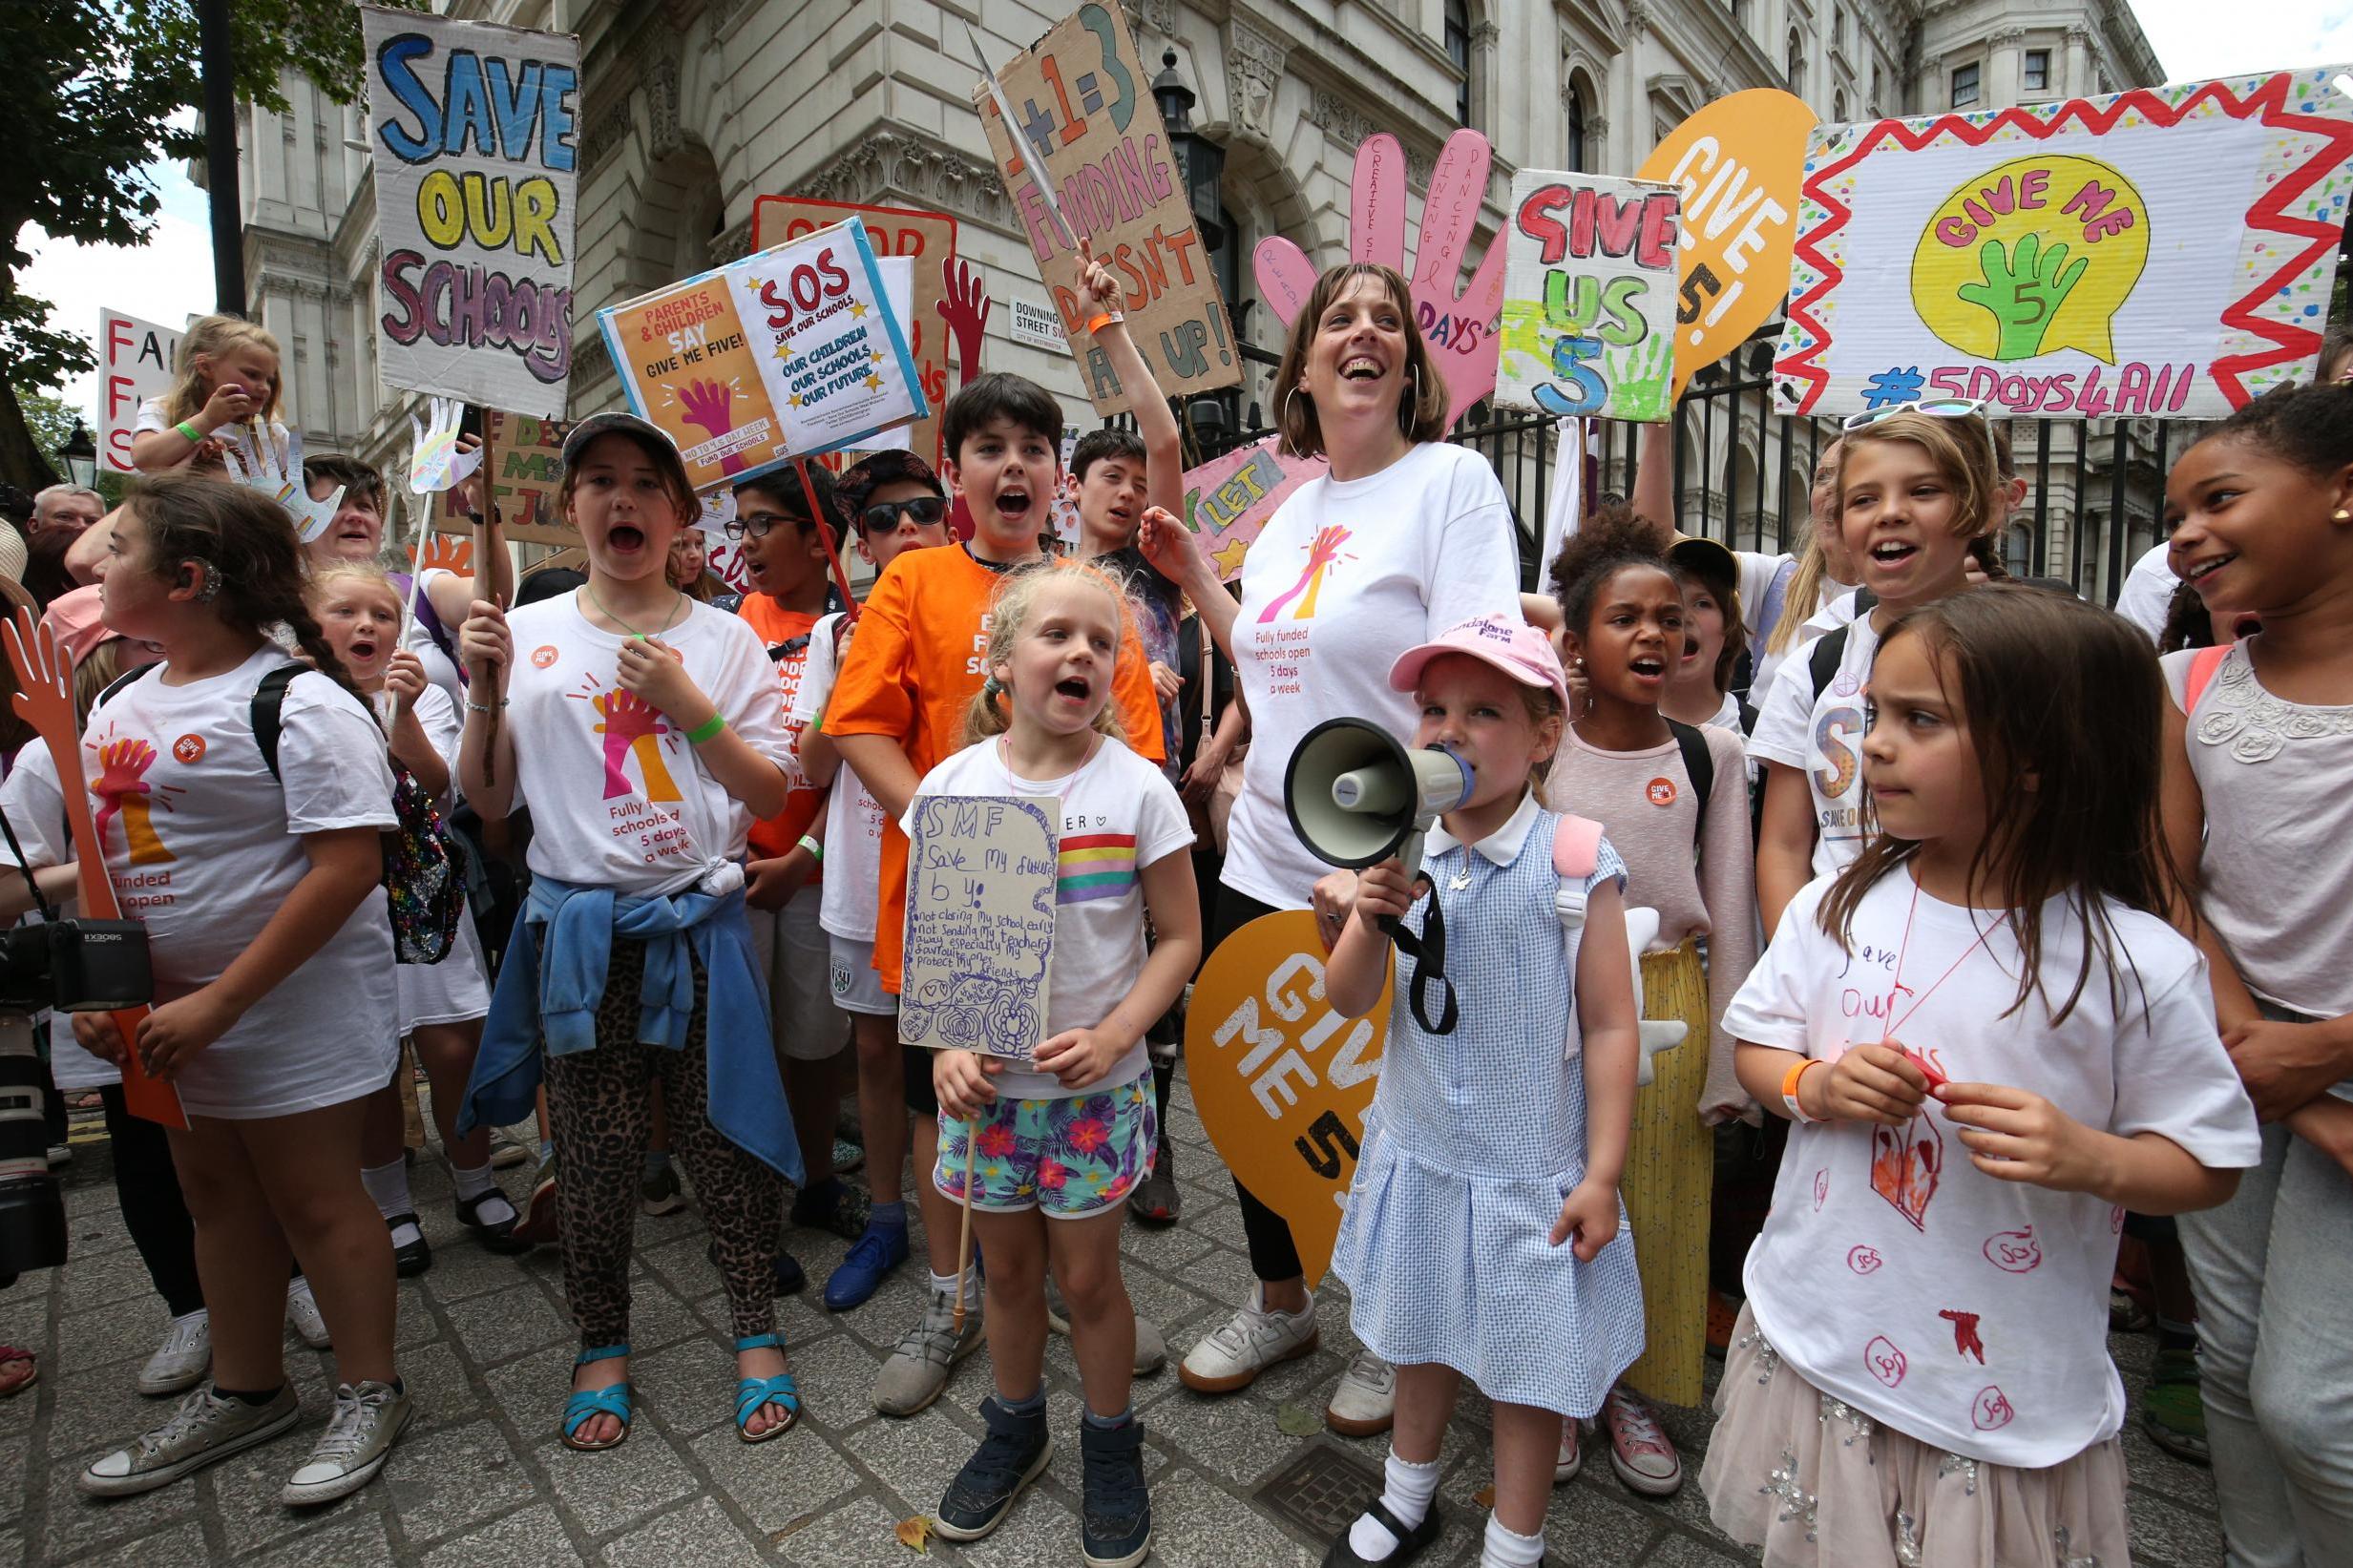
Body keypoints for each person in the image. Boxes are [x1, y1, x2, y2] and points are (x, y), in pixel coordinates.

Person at [1706, 584, 2258, 1566]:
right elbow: (1756, 1047)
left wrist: (2093, 1157)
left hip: (1991, 1376)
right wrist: (1814, 1086)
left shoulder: (2134, 961)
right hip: (1820, 1324)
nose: (1871, 744)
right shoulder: (1837, 904)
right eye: (1873, 712)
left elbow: (2208, 1160)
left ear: (2043, 755)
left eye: (1919, 720)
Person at [1137, 261, 1519, 1438]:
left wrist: (1392, 852)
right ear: (1301, 367)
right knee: (1261, 1090)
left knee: (1380, 1107)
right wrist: (1197, 576)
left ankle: (1385, 1323)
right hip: (1260, 858)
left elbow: (1479, 689)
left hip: (1382, 868)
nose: (1363, 333)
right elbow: (1273, 667)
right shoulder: (1292, 509)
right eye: (1337, 319)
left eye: (1385, 320)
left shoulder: (1450, 482)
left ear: (1410, 362)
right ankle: (1279, 1299)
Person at [2, 476, 415, 1504]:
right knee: (216, 1197)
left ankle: (371, 1387)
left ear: (187, 579)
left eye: (119, 543)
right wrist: (105, 987)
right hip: (168, 1021)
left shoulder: (301, 701)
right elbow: (105, 855)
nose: (91, 561)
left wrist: (221, 1001)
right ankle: (248, 1386)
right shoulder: (115, 704)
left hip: (284, 1008)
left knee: (318, 1199)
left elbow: (346, 867)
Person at [453, 412, 805, 1450]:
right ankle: (599, 1340)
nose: (623, 500)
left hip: (699, 924)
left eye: (648, 483)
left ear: (680, 514)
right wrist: (481, 690)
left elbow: (770, 788)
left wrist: (687, 703)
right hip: (580, 934)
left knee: (723, 1134)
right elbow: (488, 800)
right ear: (569, 508)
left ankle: (754, 1326)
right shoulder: (531, 630)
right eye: (599, 481)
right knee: (596, 1154)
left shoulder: (724, 637)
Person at [824, 373, 1165, 1419]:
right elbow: (856, 722)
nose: (1010, 465)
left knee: (1061, 1106)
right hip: (957, 911)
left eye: (1031, 447)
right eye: (988, 447)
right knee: (950, 1100)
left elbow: (1137, 747)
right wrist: (940, 818)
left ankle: (1070, 1290)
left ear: (1055, 476)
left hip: (1082, 921)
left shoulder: (1092, 596)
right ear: (955, 468)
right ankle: (949, 1296)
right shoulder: (911, 581)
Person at [1316, 615, 1641, 1568]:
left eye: (1483, 710)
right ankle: (1405, 1495)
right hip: (1423, 1155)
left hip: (1526, 1172)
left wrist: (1602, 1171)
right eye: (1431, 709)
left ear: (1544, 736)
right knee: (1414, 1336)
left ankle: (1513, 1539)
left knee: (1523, 1369)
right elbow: (1346, 997)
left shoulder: (1574, 861)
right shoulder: (1404, 852)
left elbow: (1610, 1026)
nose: (1447, 730)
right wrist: (1368, 915)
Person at [920, 557, 1198, 1567]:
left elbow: (1176, 937)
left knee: (1086, 1281)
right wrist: (948, 1042)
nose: (1080, 651)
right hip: (990, 1097)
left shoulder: (1136, 790)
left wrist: (1120, 1032)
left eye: (1101, 640)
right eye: (1055, 634)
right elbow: (938, 944)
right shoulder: (951, 787)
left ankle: (1110, 1439)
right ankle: (1014, 1423)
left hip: (1092, 1096)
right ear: (998, 660)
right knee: (1005, 1273)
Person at [2158, 381, 2353, 1564]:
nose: (2184, 532)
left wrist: (2324, 1063)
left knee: (2314, 1404)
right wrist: (2250, 1043)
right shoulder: (2186, 685)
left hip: (2320, 1060)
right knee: (2225, 1358)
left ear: (2340, 490)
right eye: (2175, 510)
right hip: (2232, 1051)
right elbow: (2171, 879)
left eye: (2218, 497)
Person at [1544, 513, 1755, 1495]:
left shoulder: (1710, 751)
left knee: (1656, 1210)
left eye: (1668, 619)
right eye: (1622, 617)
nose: (1651, 636)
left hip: (1668, 993)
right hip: (1549, 1000)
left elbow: (1732, 907)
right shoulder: (1540, 744)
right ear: (1576, 639)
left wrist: (1729, 1062)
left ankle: (1626, 1388)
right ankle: (1553, 1381)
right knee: (1551, 1196)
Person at [305, 563, 520, 1273]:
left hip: (425, 899)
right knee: (373, 1062)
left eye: (383, 613)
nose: (368, 625)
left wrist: (401, 713)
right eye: (346, 611)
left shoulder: (422, 694)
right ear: (309, 623)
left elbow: (433, 787)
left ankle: (475, 1181)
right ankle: (392, 1204)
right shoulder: (295, 701)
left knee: (455, 1048)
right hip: (340, 906)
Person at [789, 449, 954, 1320]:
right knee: (877, 1054)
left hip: (966, 883)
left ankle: (1003, 1235)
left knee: (973, 1058)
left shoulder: (984, 606)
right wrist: (850, 670)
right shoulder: (831, 634)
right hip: (863, 877)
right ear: (858, 542)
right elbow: (812, 765)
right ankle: (887, 1218)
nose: (905, 529)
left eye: (921, 508)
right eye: (882, 519)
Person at [1749, 406, 2004, 938]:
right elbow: (1784, 845)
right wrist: (1794, 967)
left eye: (1924, 491)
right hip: (1843, 961)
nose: (1890, 513)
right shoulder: (1813, 666)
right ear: (1838, 525)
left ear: (1985, 510)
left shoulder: (2024, 655)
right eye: (1865, 499)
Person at [728, 463, 854, 1284]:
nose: (743, 544)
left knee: (813, 1046)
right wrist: (745, 852)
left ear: (818, 539)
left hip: (815, 874)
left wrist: (802, 855)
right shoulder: (734, 625)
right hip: (739, 870)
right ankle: (749, 1205)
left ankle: (815, 1179)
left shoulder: (858, 628)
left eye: (761, 524)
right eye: (739, 525)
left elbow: (851, 767)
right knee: (747, 1047)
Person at [127, 314, 286, 476]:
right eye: (252, 375)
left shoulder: (273, 433)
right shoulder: (163, 409)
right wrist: (207, 420)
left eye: (269, 380)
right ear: (205, 367)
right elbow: (143, 458)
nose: (264, 388)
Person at [1661, 535, 1747, 732]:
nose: (1684, 616)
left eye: (1702, 603)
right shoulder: (1613, 727)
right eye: (1671, 602)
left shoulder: (1758, 733)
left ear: (1728, 623)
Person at [30, 485, 106, 539]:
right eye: (64, 517)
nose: (82, 526)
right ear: (34, 526)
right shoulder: (19, 561)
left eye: (92, 521)